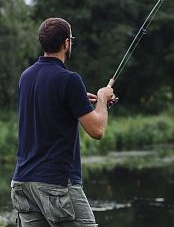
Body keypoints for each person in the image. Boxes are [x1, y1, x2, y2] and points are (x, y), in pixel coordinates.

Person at [10, 17, 114, 226]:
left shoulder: (26, 76)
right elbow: (97, 130)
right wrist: (103, 98)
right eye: (71, 39)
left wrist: (76, 100)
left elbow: (50, 105)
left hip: (22, 183)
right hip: (56, 183)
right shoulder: (70, 79)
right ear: (67, 43)